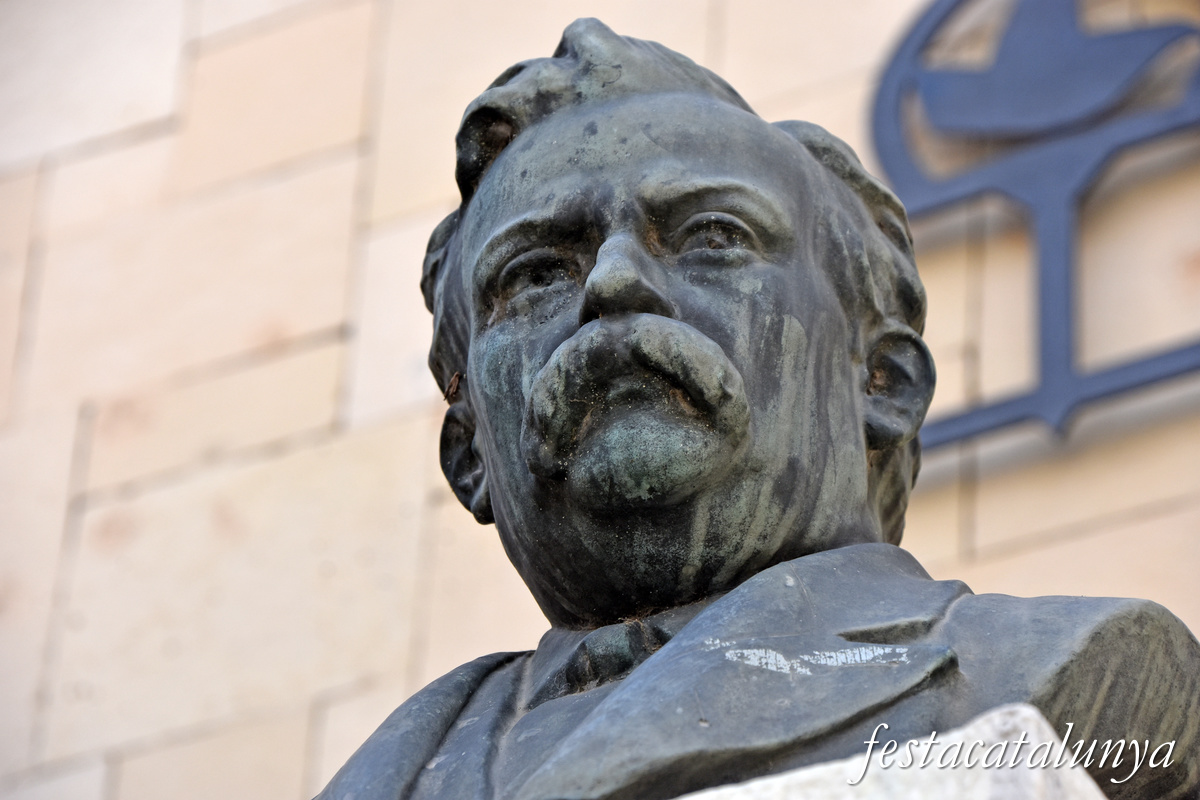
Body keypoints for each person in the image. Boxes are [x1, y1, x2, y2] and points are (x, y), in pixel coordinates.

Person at [317, 19, 1200, 800]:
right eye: (535, 274)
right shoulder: (393, 766)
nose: (614, 283)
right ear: (468, 457)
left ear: (883, 383)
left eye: (713, 237)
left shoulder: (1065, 673)